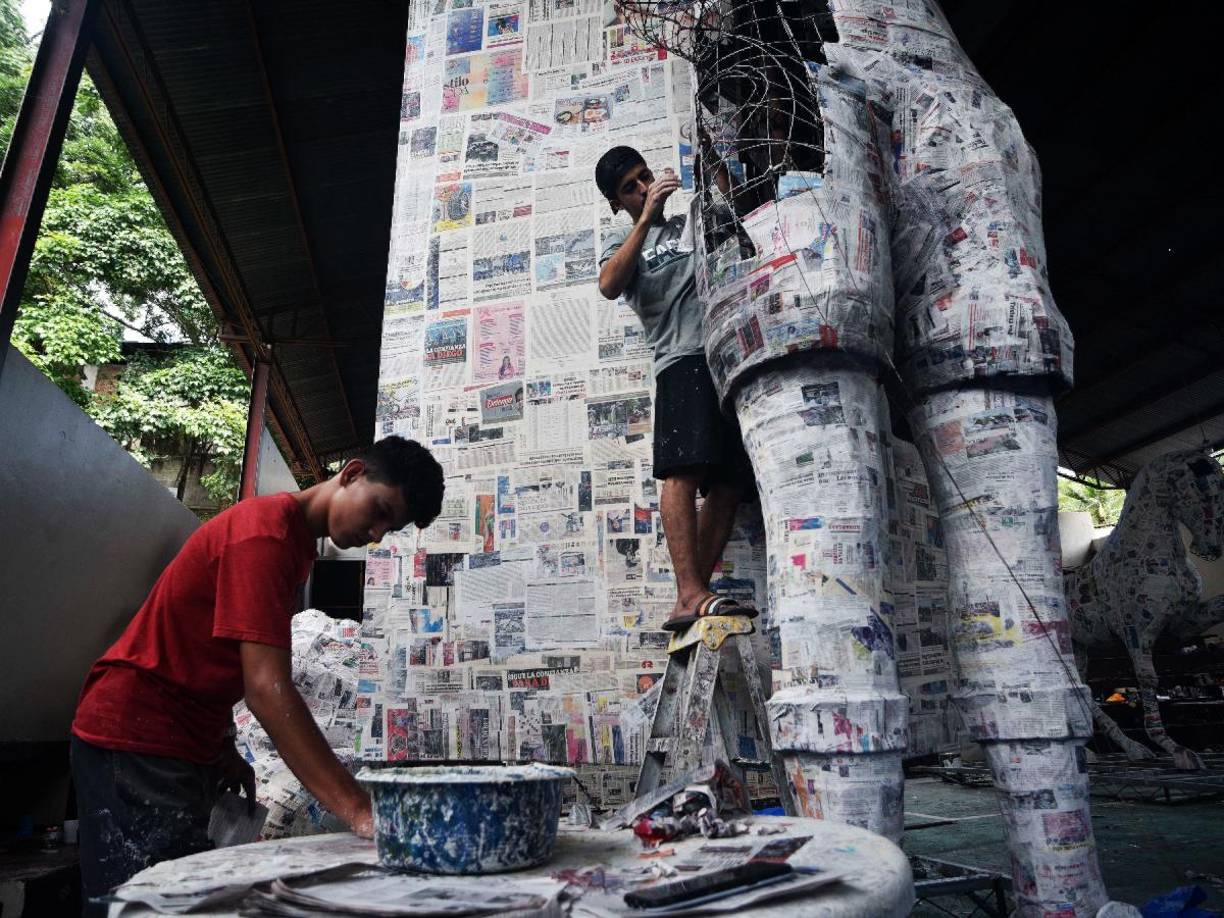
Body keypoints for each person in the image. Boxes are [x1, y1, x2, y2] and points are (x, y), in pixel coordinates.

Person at [69, 436, 445, 913]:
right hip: (135, 736)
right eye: (379, 510)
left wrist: (222, 746)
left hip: (181, 740)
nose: (376, 534)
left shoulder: (296, 547)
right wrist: (358, 810)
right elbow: (267, 689)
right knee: (141, 907)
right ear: (350, 474)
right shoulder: (264, 534)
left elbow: (213, 654)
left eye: (390, 528)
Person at [595, 145, 757, 632]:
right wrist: (643, 220)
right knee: (681, 474)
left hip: (724, 361)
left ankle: (693, 595)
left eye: (645, 177)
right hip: (681, 363)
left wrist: (713, 162)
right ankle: (689, 591)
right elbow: (608, 284)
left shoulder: (691, 216)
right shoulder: (622, 242)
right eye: (630, 187)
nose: (644, 188)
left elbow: (733, 207)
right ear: (616, 202)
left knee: (728, 486)